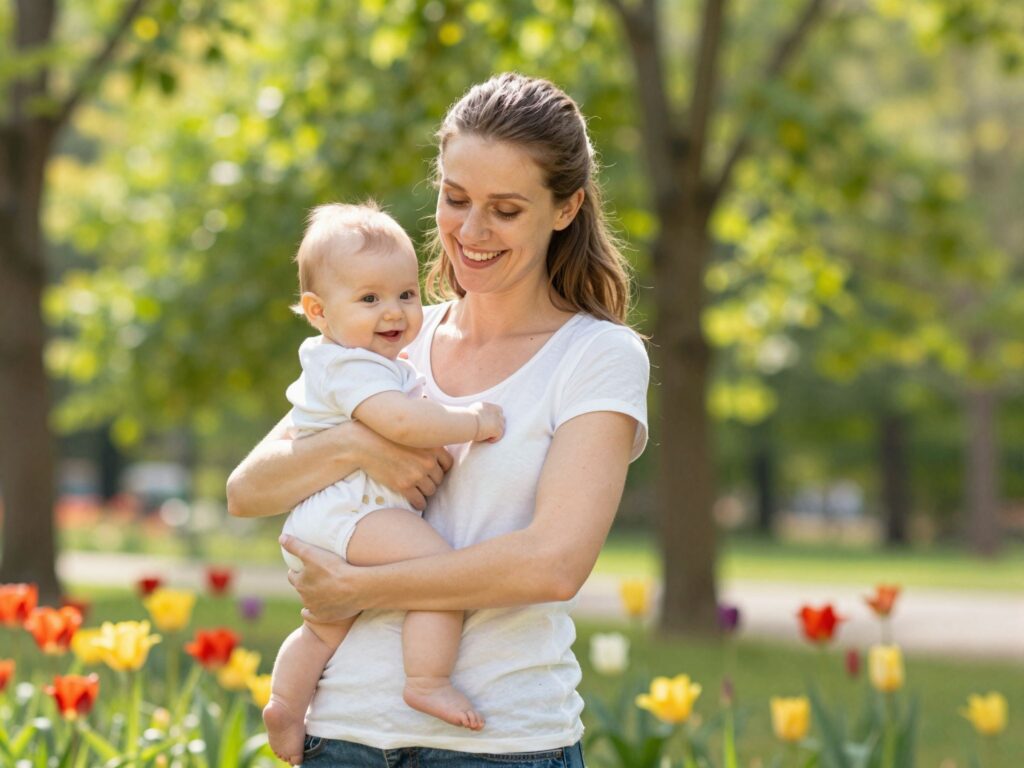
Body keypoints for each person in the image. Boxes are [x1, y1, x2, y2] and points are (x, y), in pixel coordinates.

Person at [227, 73, 650, 767]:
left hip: (500, 744)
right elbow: (249, 491)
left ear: (566, 208)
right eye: (455, 199)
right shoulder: (391, 335)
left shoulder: (597, 355)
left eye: (506, 210)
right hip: (344, 736)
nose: (471, 231)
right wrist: (364, 444)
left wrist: (358, 590)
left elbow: (552, 565)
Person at [264, 202, 503, 764]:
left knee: (322, 632)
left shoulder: (354, 360)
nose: (392, 312)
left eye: (405, 294)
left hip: (328, 521)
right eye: (369, 299)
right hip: (356, 514)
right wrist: (473, 420)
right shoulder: (352, 365)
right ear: (318, 311)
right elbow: (399, 422)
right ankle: (426, 680)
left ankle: (284, 702)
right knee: (439, 577)